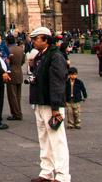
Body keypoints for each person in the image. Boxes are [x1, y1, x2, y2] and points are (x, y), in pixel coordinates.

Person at [28, 26, 70, 182]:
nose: (33, 42)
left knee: (57, 140)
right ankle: (46, 172)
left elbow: (57, 83)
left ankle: (62, 175)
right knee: (44, 139)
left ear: (45, 39)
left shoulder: (55, 56)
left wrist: (55, 108)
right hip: (40, 103)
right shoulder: (41, 56)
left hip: (51, 105)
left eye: (36, 39)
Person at [5, 35, 25, 121]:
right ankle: (18, 111)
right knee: (18, 95)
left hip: (11, 74)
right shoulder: (21, 49)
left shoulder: (8, 50)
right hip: (19, 73)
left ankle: (16, 114)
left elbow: (6, 63)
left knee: (12, 96)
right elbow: (23, 61)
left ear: (7, 42)